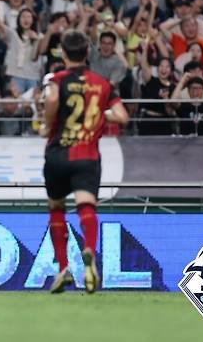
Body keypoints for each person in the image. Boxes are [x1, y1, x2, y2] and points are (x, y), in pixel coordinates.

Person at [42, 31, 128, 294]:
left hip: (58, 153)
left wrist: (48, 123)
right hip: (87, 156)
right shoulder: (103, 84)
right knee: (86, 207)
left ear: (63, 54)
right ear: (88, 53)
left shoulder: (57, 79)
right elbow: (122, 116)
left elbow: (53, 99)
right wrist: (100, 116)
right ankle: (89, 249)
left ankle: (64, 268)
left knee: (57, 207)